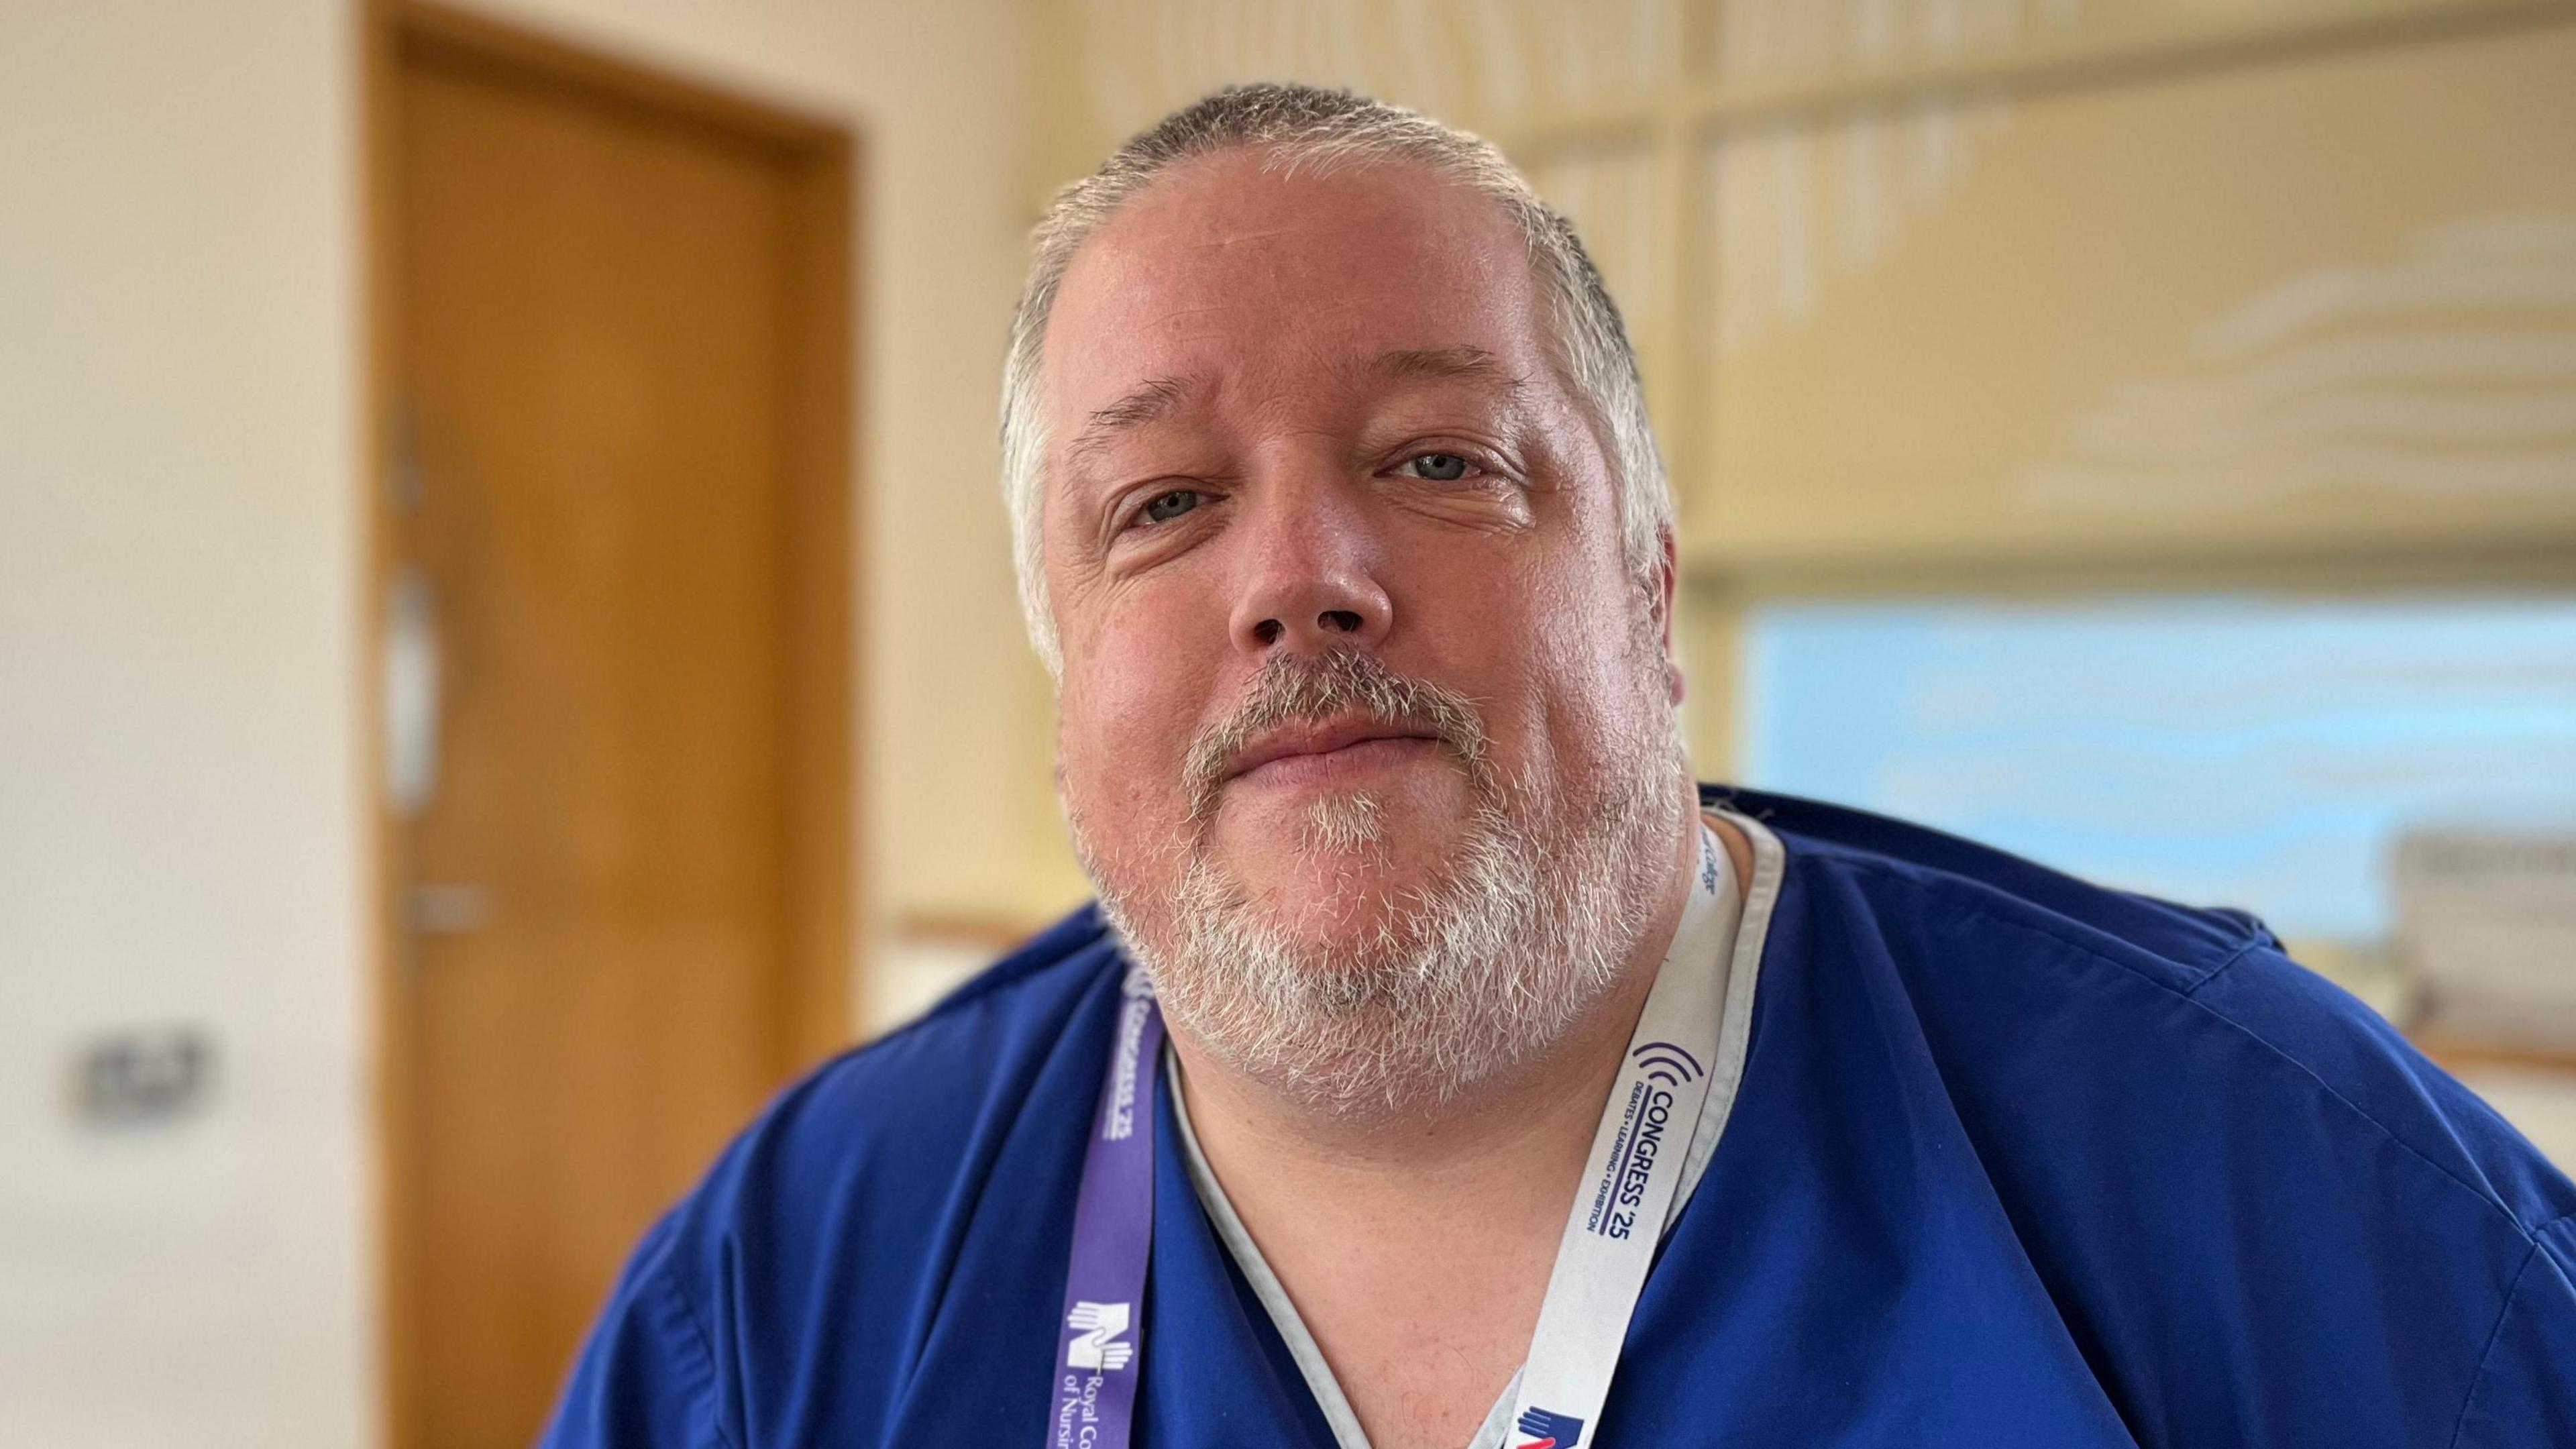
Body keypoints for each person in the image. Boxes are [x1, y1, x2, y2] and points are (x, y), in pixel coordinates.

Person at [541, 84, 2576, 1449]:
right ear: (1064, 659)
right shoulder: (796, 1277)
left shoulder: (2265, 1172)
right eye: (1159, 505)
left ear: (1652, 588)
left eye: (1441, 463)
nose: (1303, 581)